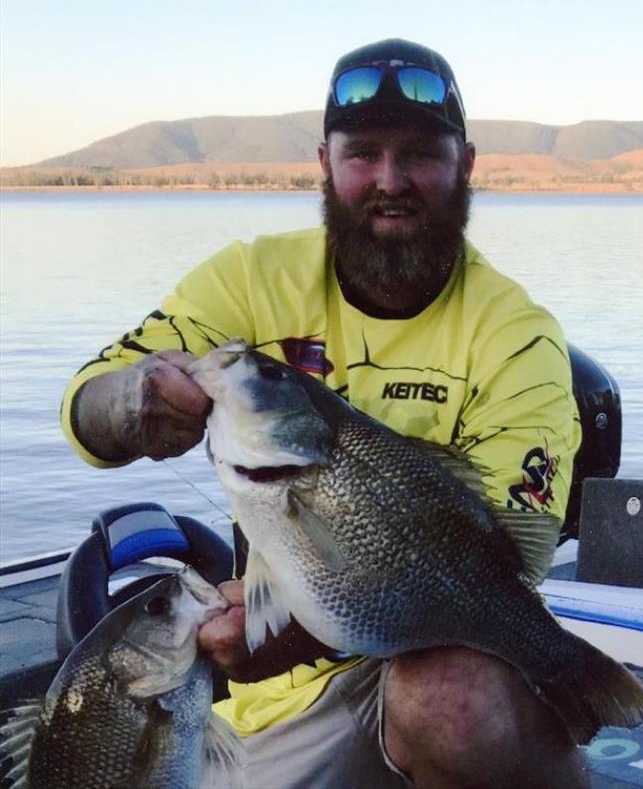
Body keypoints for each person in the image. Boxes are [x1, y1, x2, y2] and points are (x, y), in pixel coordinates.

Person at [61, 38, 586, 789]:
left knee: (455, 700)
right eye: (363, 153)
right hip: (269, 699)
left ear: (466, 165)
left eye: (421, 155)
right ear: (324, 163)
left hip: (423, 655)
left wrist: (283, 638)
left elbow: (507, 562)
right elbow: (84, 411)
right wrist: (132, 400)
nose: (391, 180)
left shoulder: (518, 337)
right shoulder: (249, 276)